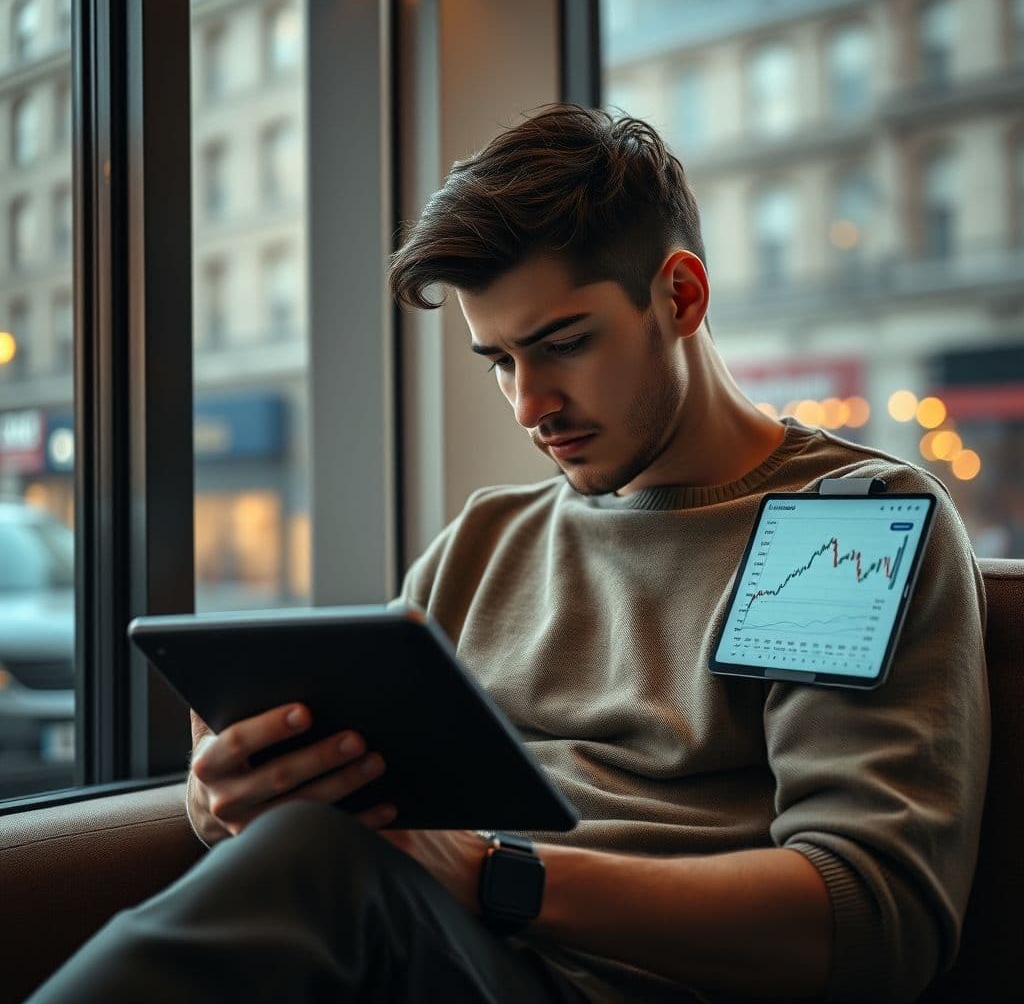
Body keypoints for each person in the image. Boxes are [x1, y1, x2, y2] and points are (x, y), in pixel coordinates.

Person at [28, 105, 988, 1004]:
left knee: (325, 870)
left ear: (682, 296)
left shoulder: (842, 529)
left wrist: (495, 877)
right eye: (499, 361)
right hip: (425, 942)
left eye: (564, 344)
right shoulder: (488, 540)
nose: (530, 404)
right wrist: (229, 794)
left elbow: (871, 916)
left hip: (585, 976)